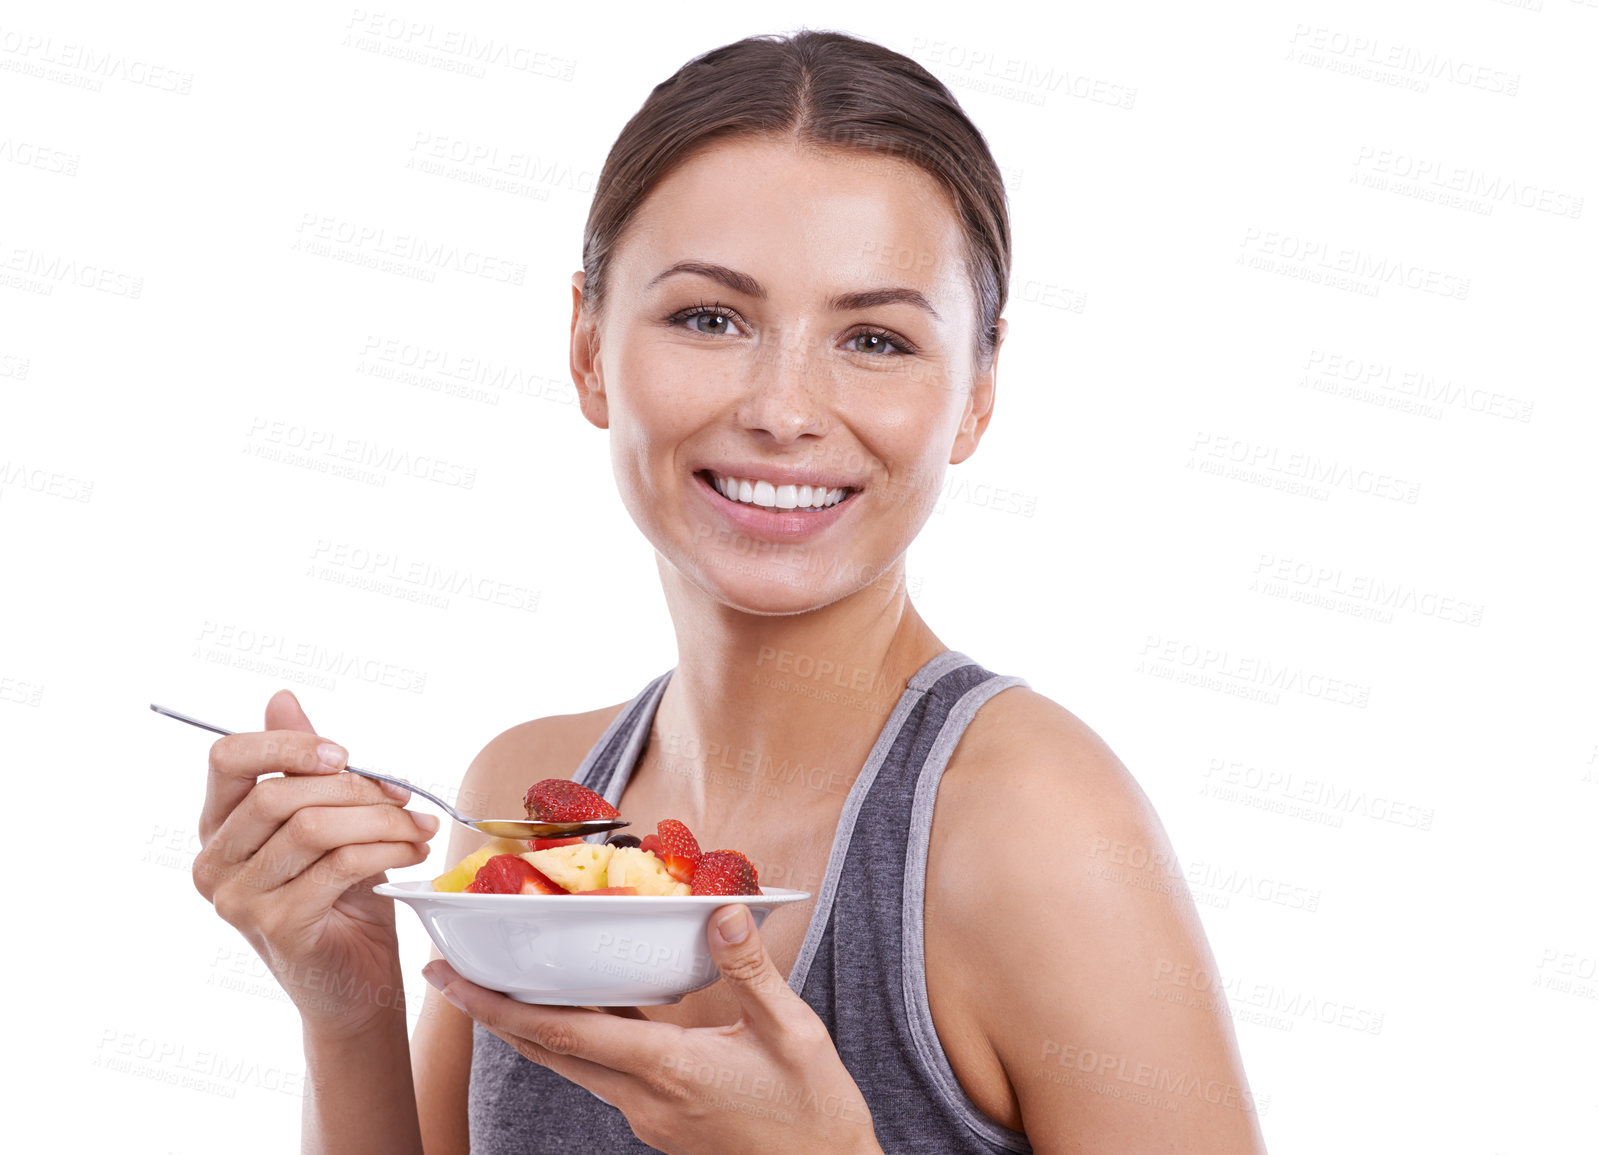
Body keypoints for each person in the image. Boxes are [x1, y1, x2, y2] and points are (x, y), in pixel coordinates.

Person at [191, 30, 1265, 1154]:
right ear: (588, 346)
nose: (785, 408)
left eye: (876, 338)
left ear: (979, 392)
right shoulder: (527, 797)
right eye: (711, 318)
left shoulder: (1035, 826)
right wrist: (343, 1011)